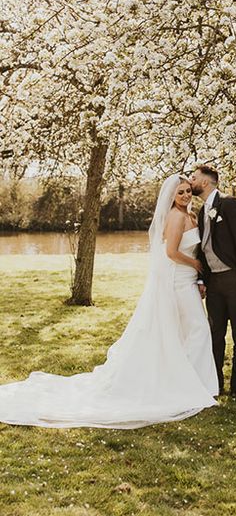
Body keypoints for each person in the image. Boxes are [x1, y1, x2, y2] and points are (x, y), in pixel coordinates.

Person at [0, 175, 219, 428]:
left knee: (185, 332)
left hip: (188, 281)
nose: (185, 195)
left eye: (188, 191)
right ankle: (193, 386)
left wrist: (198, 275)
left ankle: (188, 382)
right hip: (177, 281)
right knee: (199, 330)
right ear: (171, 196)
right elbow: (170, 253)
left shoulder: (191, 215)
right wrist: (196, 265)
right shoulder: (176, 217)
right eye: (180, 192)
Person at [189, 165, 236, 399]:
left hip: (235, 279)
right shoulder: (202, 212)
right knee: (215, 333)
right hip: (214, 283)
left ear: (206, 181)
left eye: (194, 177)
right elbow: (202, 249)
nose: (190, 180)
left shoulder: (229, 203)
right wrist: (202, 278)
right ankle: (216, 383)